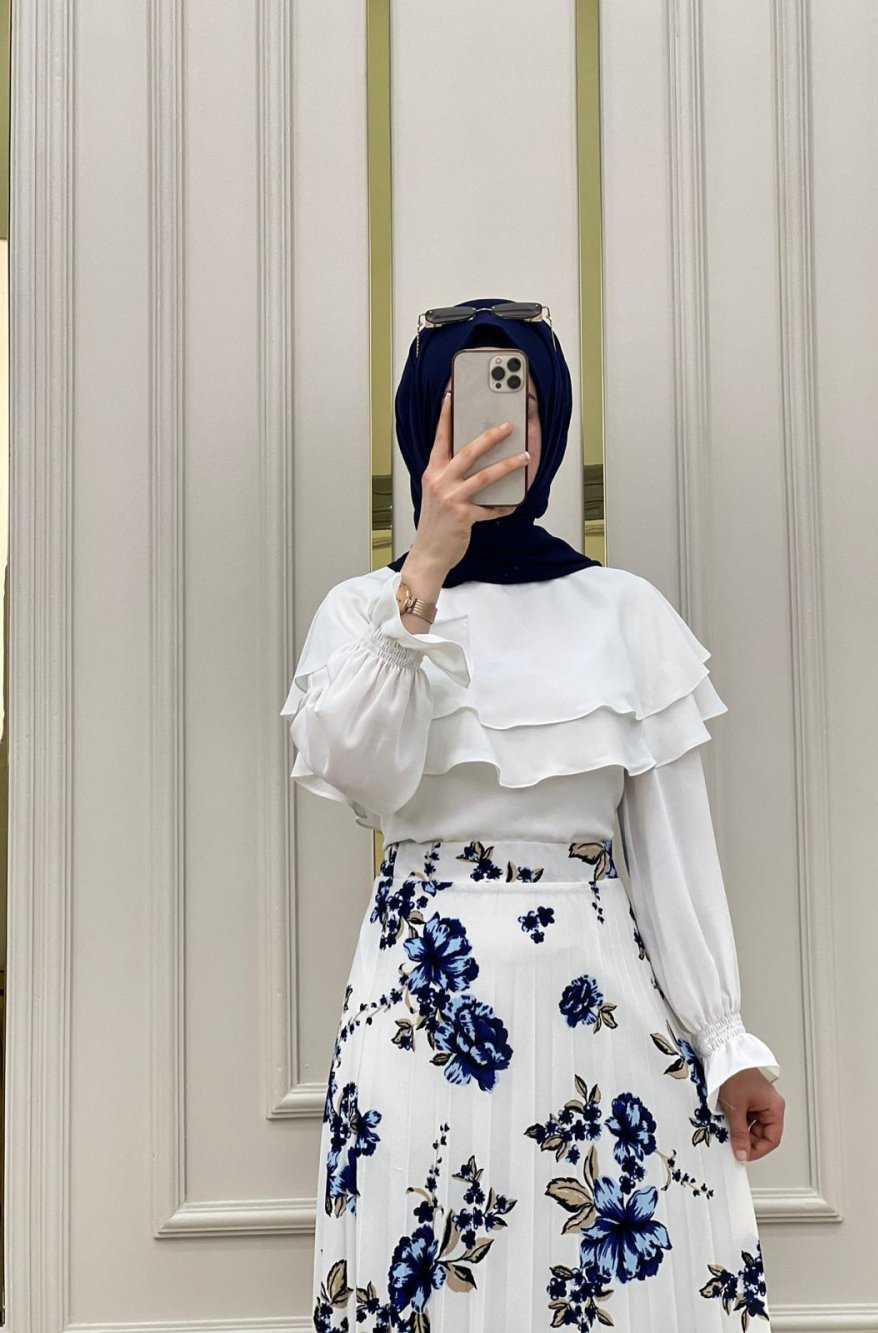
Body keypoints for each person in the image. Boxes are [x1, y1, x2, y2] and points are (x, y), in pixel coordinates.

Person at [281, 298, 784, 1331]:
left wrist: (725, 1038)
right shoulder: (361, 614)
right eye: (464, 413)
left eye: (522, 411)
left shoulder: (624, 611)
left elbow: (675, 852)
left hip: (598, 1002)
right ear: (421, 427)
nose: (498, 438)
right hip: (418, 1011)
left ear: (549, 423)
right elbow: (364, 778)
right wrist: (422, 573)